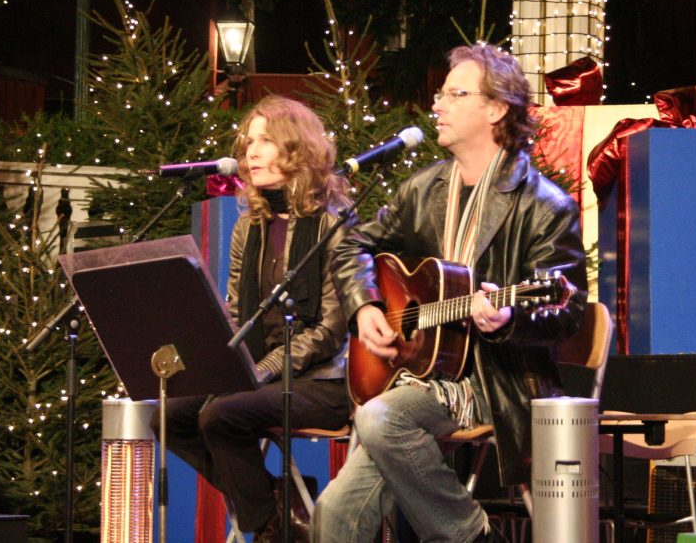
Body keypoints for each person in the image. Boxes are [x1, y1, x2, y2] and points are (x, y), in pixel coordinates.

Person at [312, 43, 587, 543]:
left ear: (496, 108)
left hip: (495, 381)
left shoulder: (545, 205)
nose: (436, 105)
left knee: (381, 418)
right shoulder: (422, 190)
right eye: (439, 94)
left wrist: (509, 320)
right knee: (332, 516)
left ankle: (471, 535)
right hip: (419, 371)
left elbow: (568, 310)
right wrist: (365, 305)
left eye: (455, 94)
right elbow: (351, 244)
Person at [158, 95, 352, 543]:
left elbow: (329, 331)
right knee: (168, 417)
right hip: (260, 371)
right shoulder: (250, 225)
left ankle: (269, 526)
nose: (251, 152)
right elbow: (236, 312)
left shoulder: (334, 224)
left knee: (220, 416)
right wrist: (220, 361)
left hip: (322, 381)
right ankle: (279, 508)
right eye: (249, 142)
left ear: (297, 148)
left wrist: (261, 369)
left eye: (265, 140)